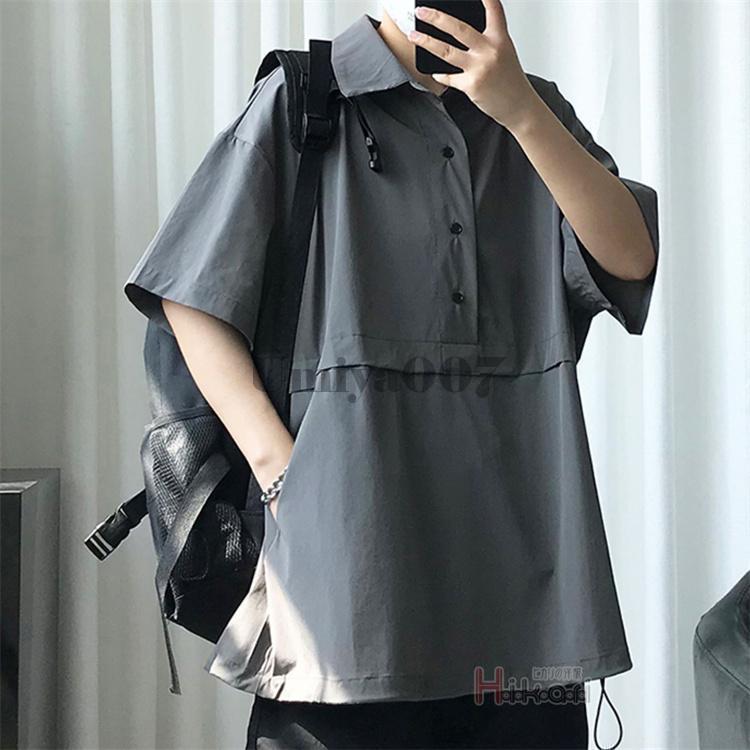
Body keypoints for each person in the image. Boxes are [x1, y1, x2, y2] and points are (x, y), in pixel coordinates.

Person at [123, 1, 659, 747]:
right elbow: (189, 292)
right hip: (345, 581)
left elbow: (629, 258)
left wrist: (520, 112)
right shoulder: (306, 97)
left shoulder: (533, 113)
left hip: (523, 596)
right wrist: (280, 470)